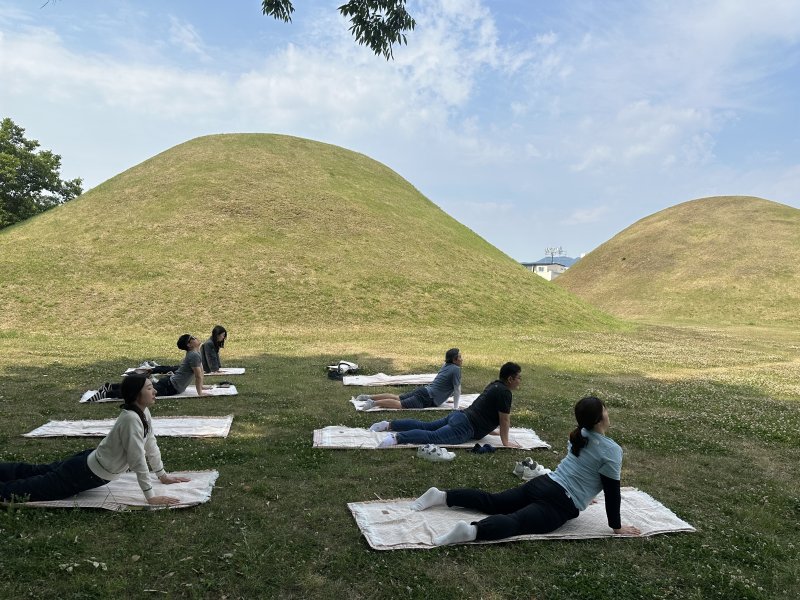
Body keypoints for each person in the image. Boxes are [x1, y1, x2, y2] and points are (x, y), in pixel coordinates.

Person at [411, 396, 642, 545]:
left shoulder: (579, 434)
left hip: (543, 483)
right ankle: (471, 532)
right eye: (606, 410)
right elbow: (612, 492)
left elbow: (582, 469)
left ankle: (441, 496)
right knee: (516, 522)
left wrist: (586, 494)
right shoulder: (611, 450)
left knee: (493, 501)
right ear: (600, 418)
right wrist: (617, 526)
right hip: (559, 502)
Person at [1, 376, 189, 505]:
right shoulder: (131, 419)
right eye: (149, 388)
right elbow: (137, 458)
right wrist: (150, 496)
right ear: (136, 394)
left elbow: (151, 444)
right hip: (85, 473)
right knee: (27, 489)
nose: (155, 391)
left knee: (34, 472)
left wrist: (162, 475)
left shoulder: (143, 412)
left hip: (86, 463)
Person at [369, 362, 522, 448]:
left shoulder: (494, 385)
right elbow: (505, 420)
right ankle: (396, 438)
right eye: (518, 378)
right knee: (433, 436)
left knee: (425, 426)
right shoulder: (505, 393)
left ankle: (388, 425)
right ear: (510, 379)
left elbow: (483, 409)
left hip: (460, 416)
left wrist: (490, 431)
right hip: (465, 426)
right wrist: (506, 442)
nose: (519, 381)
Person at [89, 334, 213, 401]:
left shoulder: (196, 353)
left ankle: (110, 387)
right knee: (139, 393)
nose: (196, 337)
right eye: (193, 338)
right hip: (170, 387)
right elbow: (197, 375)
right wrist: (200, 393)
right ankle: (107, 394)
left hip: (170, 384)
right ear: (189, 344)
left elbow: (200, 373)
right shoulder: (193, 355)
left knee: (140, 388)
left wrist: (202, 386)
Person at [357, 348, 463, 410]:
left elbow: (444, 384)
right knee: (400, 405)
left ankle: (367, 397)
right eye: (459, 357)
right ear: (454, 360)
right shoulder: (456, 370)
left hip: (424, 391)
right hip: (427, 397)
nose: (461, 359)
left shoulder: (446, 365)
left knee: (398, 397)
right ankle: (373, 403)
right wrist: (456, 408)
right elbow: (457, 389)